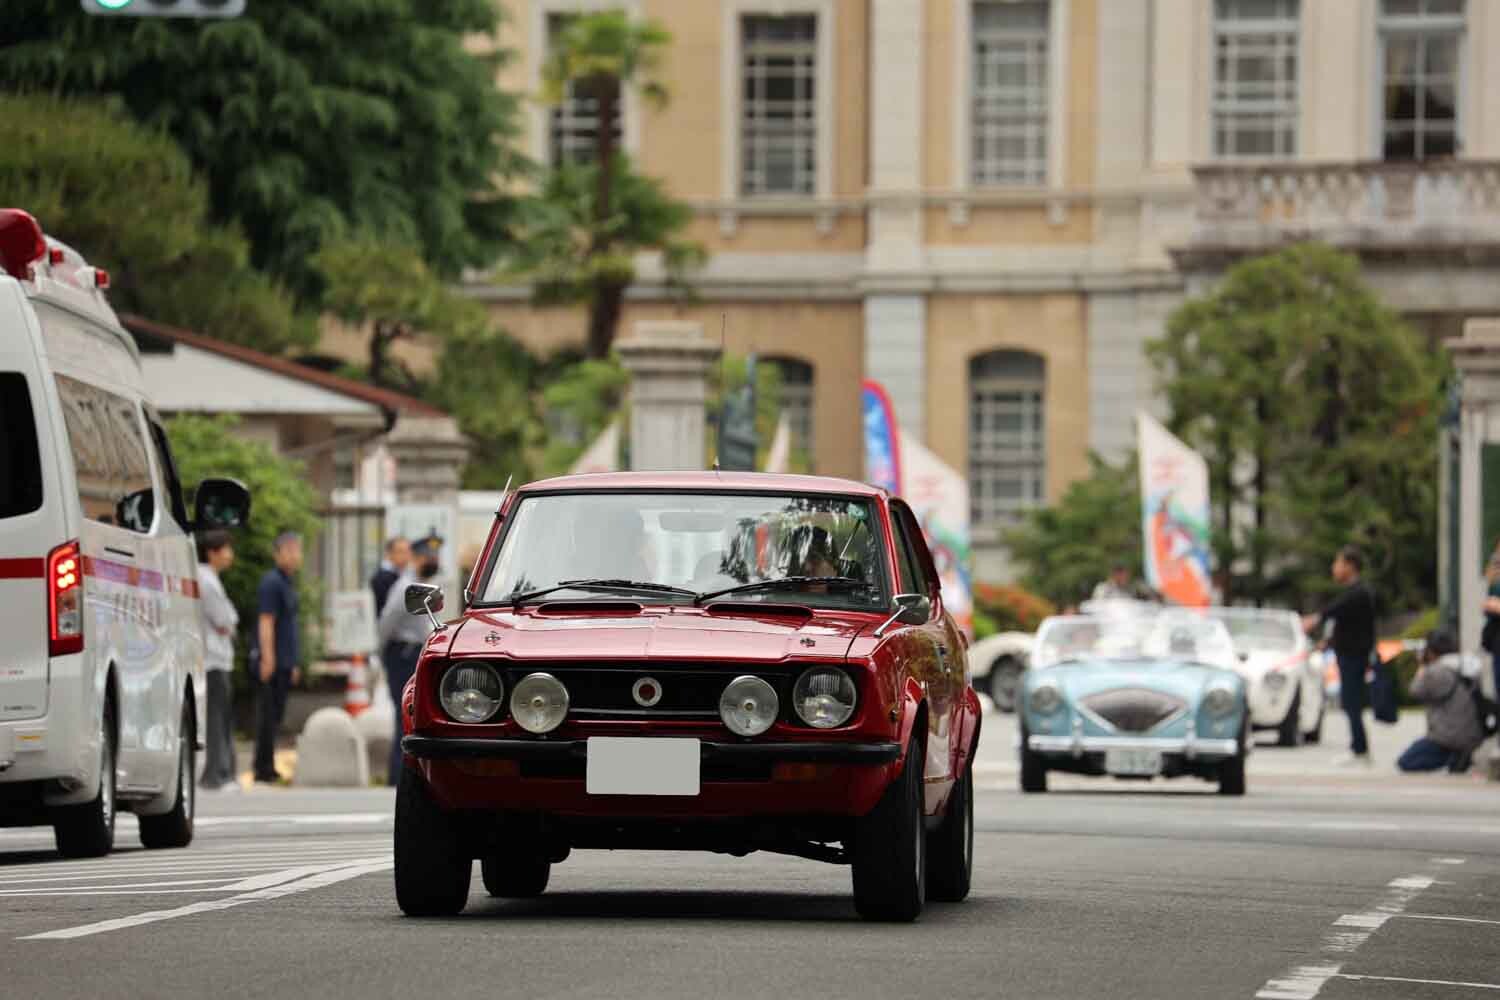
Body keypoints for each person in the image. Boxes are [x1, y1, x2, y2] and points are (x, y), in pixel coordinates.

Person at [1302, 545, 1376, 766]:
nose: (1334, 568)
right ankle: (1358, 747)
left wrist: (1316, 619)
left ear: (1350, 566)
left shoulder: (1360, 592)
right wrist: (1327, 643)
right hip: (1348, 653)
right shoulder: (1353, 593)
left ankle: (1360, 750)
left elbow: (1337, 609)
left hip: (1355, 656)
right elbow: (1346, 623)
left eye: (1338, 563)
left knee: (1352, 702)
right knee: (1350, 702)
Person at [379, 534, 443, 785]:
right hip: (402, 654)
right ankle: (397, 774)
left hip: (414, 653)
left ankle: (409, 773)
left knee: (415, 715)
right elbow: (387, 622)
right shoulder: (405, 587)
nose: (433, 560)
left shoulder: (423, 584)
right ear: (417, 559)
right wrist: (382, 652)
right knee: (403, 712)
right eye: (428, 556)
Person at [249, 532, 303, 784]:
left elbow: (290, 626)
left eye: (296, 550)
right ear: (277, 554)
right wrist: (268, 658)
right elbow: (266, 621)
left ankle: (267, 765)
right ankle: (262, 767)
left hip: (285, 660)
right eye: (288, 550)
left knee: (276, 715)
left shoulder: (287, 582)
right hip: (272, 660)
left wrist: (292, 662)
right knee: (267, 716)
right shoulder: (271, 582)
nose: (294, 556)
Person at [1397, 628, 1486, 773]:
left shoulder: (1437, 671)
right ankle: (1459, 757)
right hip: (1473, 733)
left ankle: (1454, 758)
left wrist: (1422, 666)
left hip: (1447, 736)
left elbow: (1414, 691)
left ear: (1432, 651)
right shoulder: (1467, 665)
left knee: (1406, 762)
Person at [196, 529, 239, 791]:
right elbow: (225, 620)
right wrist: (230, 622)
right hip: (213, 658)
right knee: (216, 719)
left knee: (220, 717)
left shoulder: (209, 577)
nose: (230, 555)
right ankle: (216, 774)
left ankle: (221, 772)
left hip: (218, 657)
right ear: (212, 552)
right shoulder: (206, 580)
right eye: (226, 549)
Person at [370, 536, 410, 621]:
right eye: (401, 551)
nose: (406, 556)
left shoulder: (402, 574)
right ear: (389, 553)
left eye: (408, 551)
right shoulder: (382, 578)